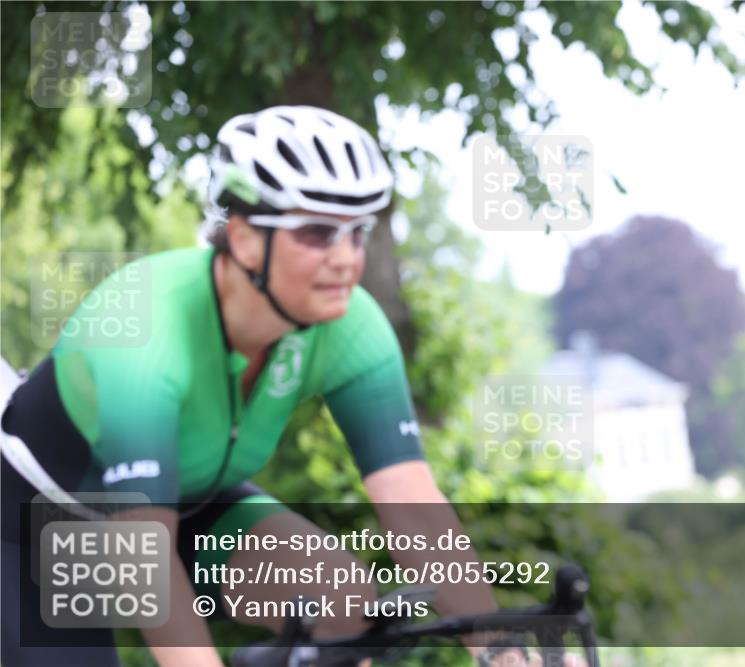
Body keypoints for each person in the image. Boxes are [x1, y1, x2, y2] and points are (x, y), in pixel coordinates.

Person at [0, 105, 541, 667]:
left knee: (341, 599)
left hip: (189, 504)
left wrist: (503, 652)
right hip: (39, 517)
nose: (346, 260)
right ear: (245, 238)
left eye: (357, 233)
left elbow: (412, 503)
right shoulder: (146, 331)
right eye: (317, 233)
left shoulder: (349, 324)